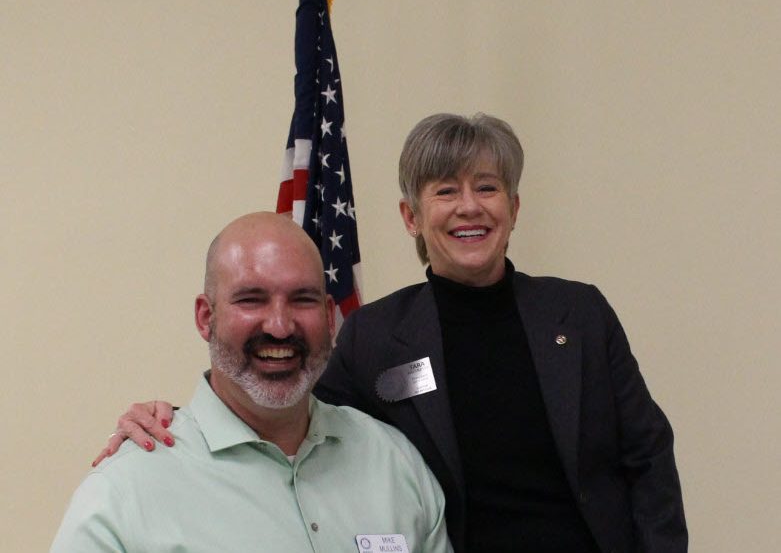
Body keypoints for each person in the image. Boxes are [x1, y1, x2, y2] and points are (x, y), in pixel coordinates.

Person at [94, 114, 687, 553]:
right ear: (411, 216)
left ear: (513, 206)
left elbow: (647, 455)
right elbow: (287, 413)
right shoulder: (376, 335)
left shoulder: (578, 315)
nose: (469, 207)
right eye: (445, 191)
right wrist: (176, 419)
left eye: (487, 187)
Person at [53, 213, 451, 553]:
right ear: (206, 318)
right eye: (251, 299)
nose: (279, 326)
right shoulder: (125, 492)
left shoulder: (395, 465)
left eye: (303, 299)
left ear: (330, 318)